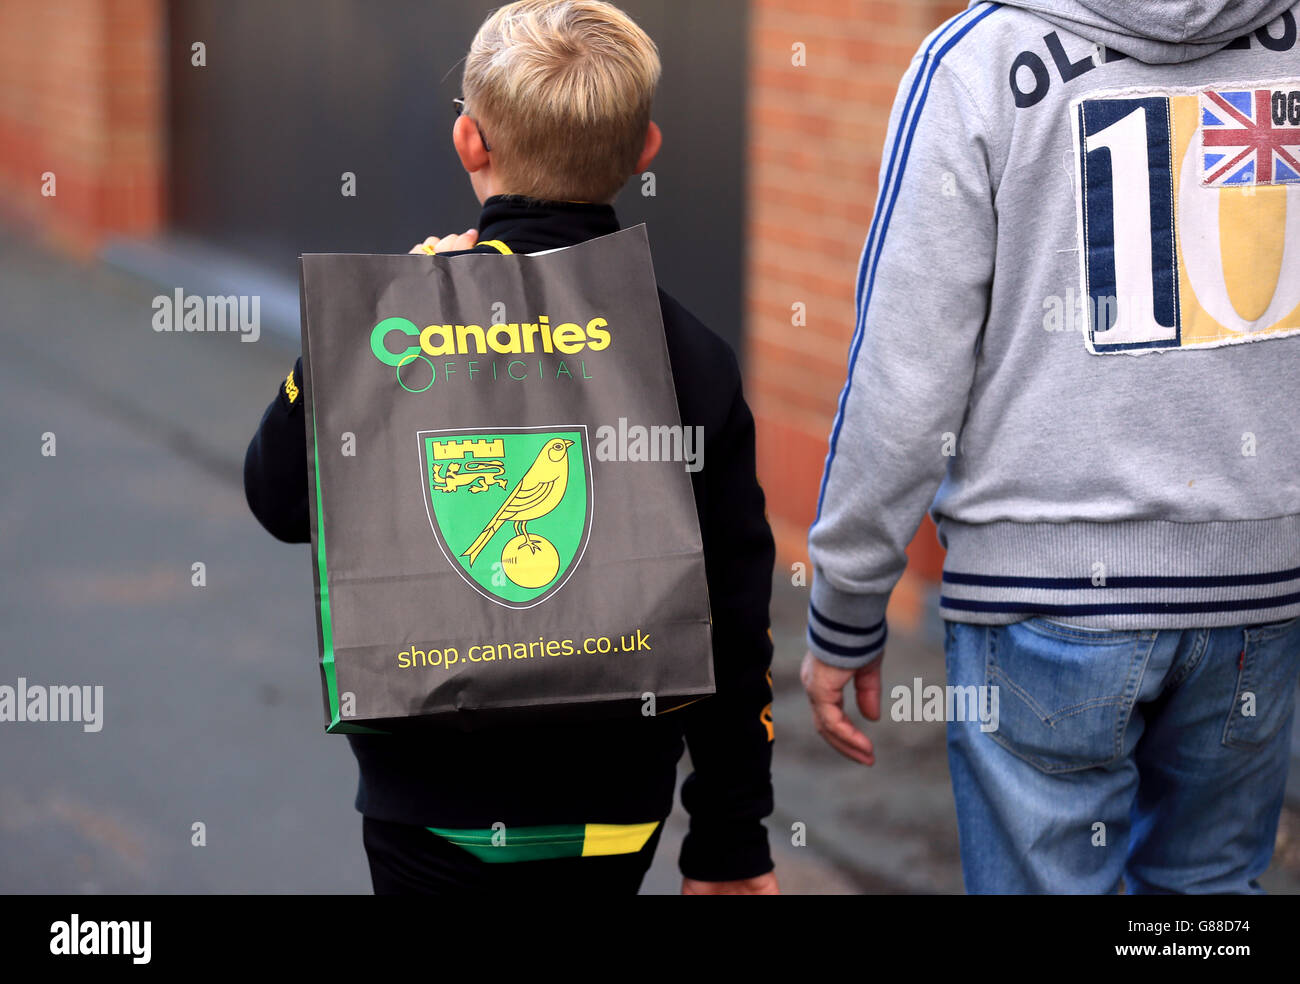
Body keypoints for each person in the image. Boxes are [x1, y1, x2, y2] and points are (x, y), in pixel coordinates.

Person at [245, 0, 778, 895]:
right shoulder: (688, 353)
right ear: (645, 150)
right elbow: (731, 614)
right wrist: (732, 835)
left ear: (468, 141)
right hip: (614, 810)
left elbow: (279, 499)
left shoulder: (399, 332)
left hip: (429, 805)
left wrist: (359, 333)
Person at [803, 0, 1300, 893]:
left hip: (1040, 600)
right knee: (1209, 904)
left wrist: (846, 602)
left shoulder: (975, 61)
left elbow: (905, 375)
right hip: (1260, 590)